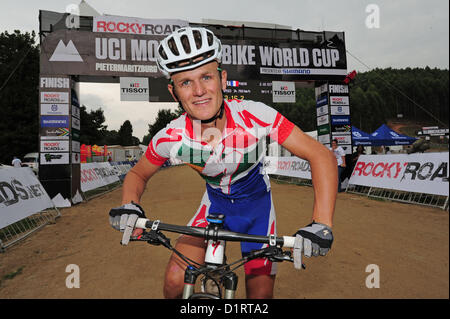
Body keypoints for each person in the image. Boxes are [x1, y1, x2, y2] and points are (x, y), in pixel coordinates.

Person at [108, 27, 337, 299]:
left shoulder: (256, 116)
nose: (199, 91)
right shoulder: (171, 136)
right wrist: (129, 204)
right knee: (174, 281)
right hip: (214, 208)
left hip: (258, 212)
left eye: (206, 77)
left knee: (259, 298)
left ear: (222, 78)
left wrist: (321, 223)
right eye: (186, 82)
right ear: (174, 92)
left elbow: (320, 155)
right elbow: (137, 174)